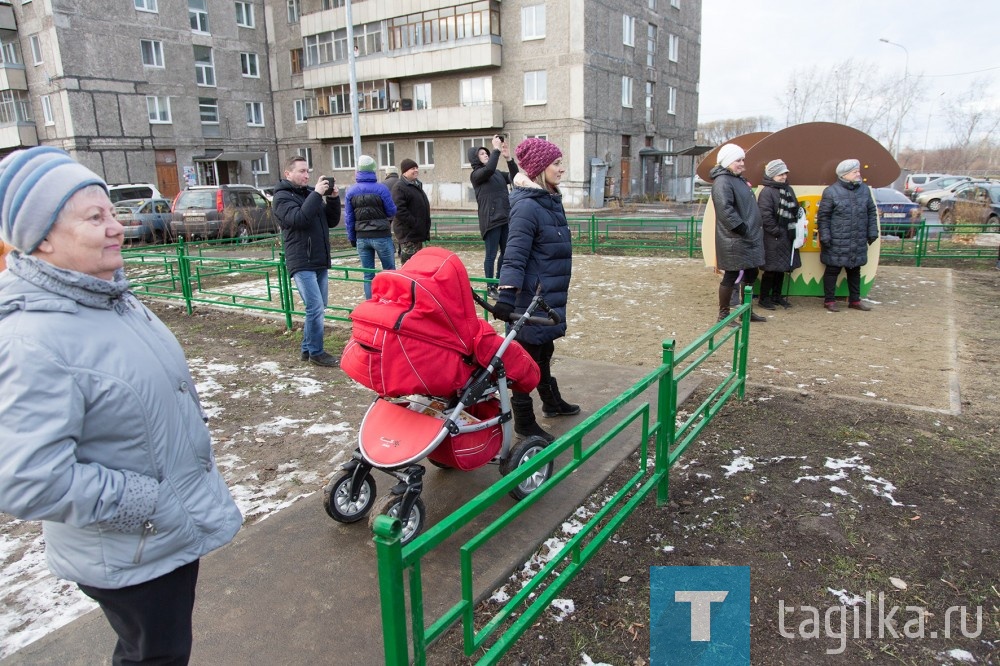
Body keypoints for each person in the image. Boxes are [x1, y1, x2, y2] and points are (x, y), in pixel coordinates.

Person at [0, 146, 243, 665]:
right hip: (132, 543)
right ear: (41, 238)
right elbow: (25, 478)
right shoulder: (32, 339)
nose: (117, 226)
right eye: (95, 217)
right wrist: (141, 499)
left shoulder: (107, 296)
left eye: (112, 211)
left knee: (158, 649)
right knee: (153, 656)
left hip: (160, 531)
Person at [492, 138, 579, 443]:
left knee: (544, 351)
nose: (562, 168)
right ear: (541, 168)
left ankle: (552, 403)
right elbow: (514, 254)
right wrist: (506, 296)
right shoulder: (528, 206)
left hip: (546, 296)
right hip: (529, 299)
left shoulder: (549, 200)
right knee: (523, 362)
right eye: (556, 163)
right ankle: (524, 422)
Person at [273, 155, 342, 366]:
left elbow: (331, 221)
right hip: (301, 260)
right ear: (288, 174)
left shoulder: (311, 194)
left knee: (320, 305)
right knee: (315, 306)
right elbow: (299, 220)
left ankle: (306, 348)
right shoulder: (282, 197)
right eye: (301, 171)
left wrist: (332, 199)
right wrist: (317, 195)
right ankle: (316, 352)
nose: (306, 175)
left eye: (307, 171)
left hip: (319, 258)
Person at [709, 143, 767, 324]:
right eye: (738, 160)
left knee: (751, 273)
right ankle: (723, 315)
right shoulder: (723, 181)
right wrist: (741, 228)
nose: (742, 163)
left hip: (748, 237)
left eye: (743, 159)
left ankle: (746, 310)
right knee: (731, 276)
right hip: (734, 238)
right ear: (727, 162)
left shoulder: (737, 179)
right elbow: (725, 209)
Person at [816, 158, 879, 312]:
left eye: (858, 170)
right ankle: (829, 300)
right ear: (844, 175)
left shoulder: (864, 190)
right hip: (836, 239)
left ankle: (855, 300)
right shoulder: (831, 192)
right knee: (832, 270)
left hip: (857, 238)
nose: (858, 174)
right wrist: (825, 236)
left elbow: (871, 211)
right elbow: (823, 216)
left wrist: (872, 232)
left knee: (855, 270)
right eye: (854, 171)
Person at [469, 135, 519, 298]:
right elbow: (488, 169)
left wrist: (509, 158)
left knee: (506, 253)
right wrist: (496, 149)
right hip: (490, 220)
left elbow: (514, 177)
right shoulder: (477, 175)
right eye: (482, 154)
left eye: (487, 153)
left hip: (505, 217)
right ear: (475, 159)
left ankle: (500, 281)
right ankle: (490, 286)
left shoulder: (496, 173)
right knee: (490, 255)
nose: (486, 155)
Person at [345, 155, 397, 300]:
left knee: (368, 274)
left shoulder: (351, 191)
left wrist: (352, 237)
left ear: (358, 170)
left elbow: (349, 218)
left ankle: (371, 305)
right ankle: (391, 301)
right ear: (373, 170)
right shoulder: (382, 189)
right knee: (389, 271)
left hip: (361, 237)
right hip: (381, 235)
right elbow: (391, 211)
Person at [756, 159, 802, 310]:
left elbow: (794, 208)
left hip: (787, 235)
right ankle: (764, 298)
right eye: (780, 174)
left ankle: (777, 296)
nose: (783, 177)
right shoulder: (767, 192)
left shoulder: (788, 190)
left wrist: (800, 215)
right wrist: (776, 231)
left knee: (782, 269)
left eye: (784, 174)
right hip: (773, 237)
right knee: (771, 270)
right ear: (772, 175)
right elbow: (765, 215)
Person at [390, 158, 431, 264]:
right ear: (405, 171)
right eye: (413, 168)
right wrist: (415, 223)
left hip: (417, 234)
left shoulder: (415, 185)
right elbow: (399, 211)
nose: (416, 170)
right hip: (408, 235)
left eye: (417, 168)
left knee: (418, 265)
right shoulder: (399, 187)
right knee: (409, 266)